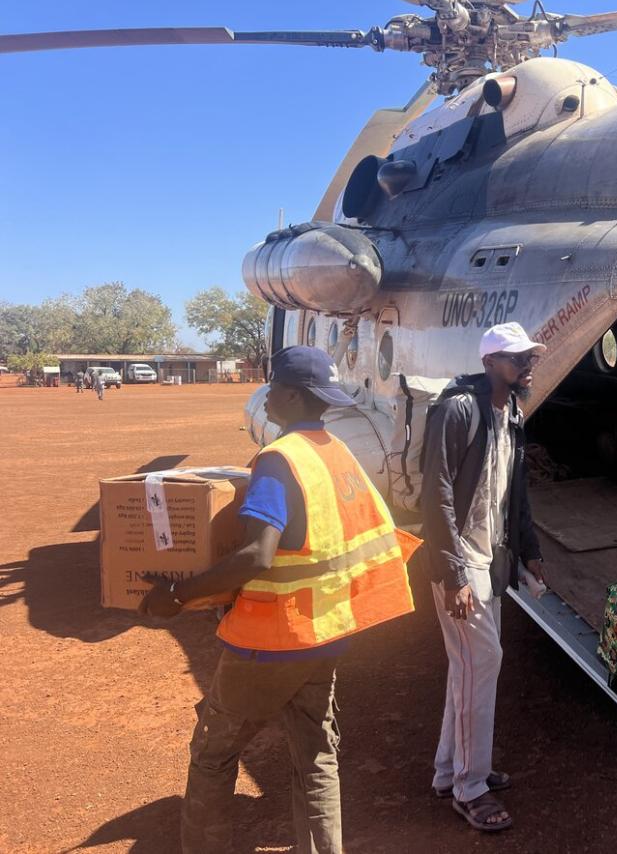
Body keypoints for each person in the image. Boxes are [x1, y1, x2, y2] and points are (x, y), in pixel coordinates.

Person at [140, 345, 420, 852]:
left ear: (291, 395)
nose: (266, 396)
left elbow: (255, 555)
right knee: (316, 757)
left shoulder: (278, 460)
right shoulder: (334, 452)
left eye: (272, 387)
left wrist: (177, 596)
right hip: (325, 633)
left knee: (212, 751)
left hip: (269, 641)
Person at [420, 322, 547, 833]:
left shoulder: (511, 412)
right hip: (460, 562)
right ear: (492, 362)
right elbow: (437, 494)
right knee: (483, 659)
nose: (528, 365)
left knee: (468, 667)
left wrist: (530, 550)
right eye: (518, 358)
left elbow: (515, 491)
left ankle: (451, 770)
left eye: (530, 357)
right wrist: (452, 575)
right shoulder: (459, 408)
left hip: (489, 557)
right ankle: (469, 790)